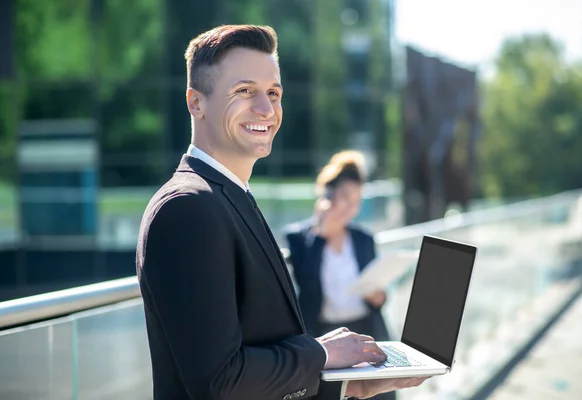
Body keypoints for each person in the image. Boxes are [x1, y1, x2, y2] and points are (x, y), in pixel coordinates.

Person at [136, 24, 428, 400]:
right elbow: (219, 382)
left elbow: (255, 366)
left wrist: (348, 385)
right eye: (244, 91)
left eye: (274, 93)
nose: (266, 109)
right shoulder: (187, 209)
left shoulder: (228, 197)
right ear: (196, 102)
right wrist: (321, 354)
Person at [285, 151, 395, 400]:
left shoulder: (362, 239)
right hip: (325, 335)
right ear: (327, 194)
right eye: (345, 197)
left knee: (379, 395)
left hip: (366, 330)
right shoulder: (300, 239)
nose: (350, 207)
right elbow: (307, 285)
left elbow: (374, 285)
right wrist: (321, 234)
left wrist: (377, 297)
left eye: (356, 201)